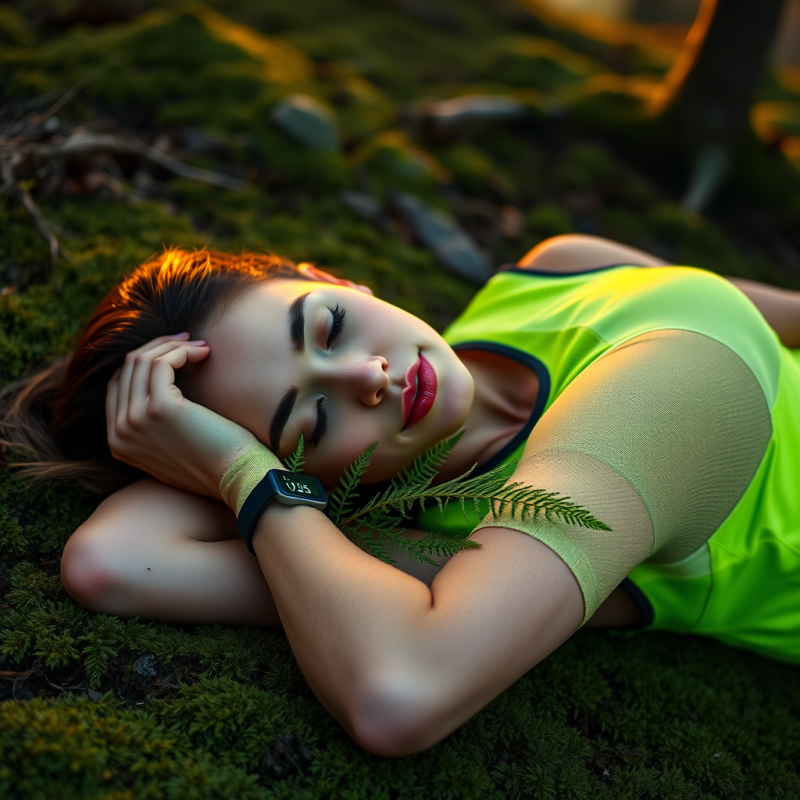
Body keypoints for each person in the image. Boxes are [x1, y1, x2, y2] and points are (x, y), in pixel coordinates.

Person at [2, 234, 800, 757]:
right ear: (308, 480)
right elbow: (113, 562)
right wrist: (231, 463)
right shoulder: (429, 551)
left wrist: (250, 470)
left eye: (330, 326)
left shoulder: (561, 272)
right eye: (311, 419)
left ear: (329, 275)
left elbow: (400, 691)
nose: (368, 379)